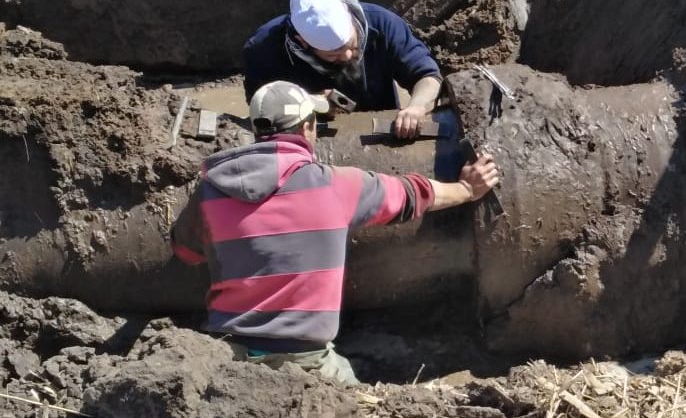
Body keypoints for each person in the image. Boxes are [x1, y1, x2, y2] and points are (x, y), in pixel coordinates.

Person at [170, 80, 499, 385]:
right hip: (305, 363)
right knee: (362, 411)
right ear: (308, 127)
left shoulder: (210, 190)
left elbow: (186, 251)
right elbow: (415, 195)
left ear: (257, 131)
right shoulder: (336, 185)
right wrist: (466, 189)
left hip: (226, 358)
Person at [242, 0, 442, 139]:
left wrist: (417, 107)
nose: (347, 56)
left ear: (347, 12)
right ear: (303, 42)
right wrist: (309, 102)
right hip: (308, 138)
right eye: (333, 54)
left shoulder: (383, 24)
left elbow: (427, 76)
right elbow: (262, 110)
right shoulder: (263, 50)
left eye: (352, 45)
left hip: (381, 130)